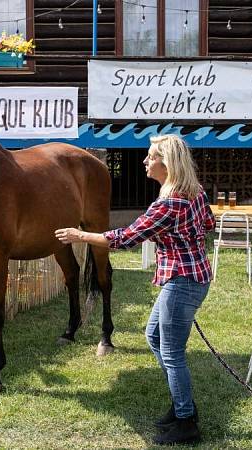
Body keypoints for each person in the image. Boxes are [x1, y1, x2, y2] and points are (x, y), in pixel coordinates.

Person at [55, 134, 214, 445]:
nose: (145, 161)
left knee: (171, 353)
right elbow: (207, 223)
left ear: (166, 164)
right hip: (193, 277)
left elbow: (125, 237)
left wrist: (80, 235)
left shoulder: (168, 204)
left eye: (150, 157)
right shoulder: (194, 192)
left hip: (183, 282)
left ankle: (186, 421)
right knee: (154, 336)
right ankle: (182, 406)